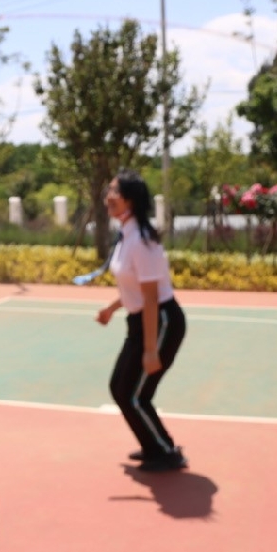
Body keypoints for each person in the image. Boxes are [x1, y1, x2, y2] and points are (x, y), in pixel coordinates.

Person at [95, 169, 187, 472]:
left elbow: (150, 298)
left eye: (114, 192)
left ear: (130, 200)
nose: (108, 197)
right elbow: (133, 286)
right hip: (142, 321)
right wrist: (111, 308)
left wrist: (150, 350)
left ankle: (166, 452)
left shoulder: (142, 241)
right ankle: (154, 445)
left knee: (132, 393)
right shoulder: (127, 236)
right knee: (121, 387)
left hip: (161, 321)